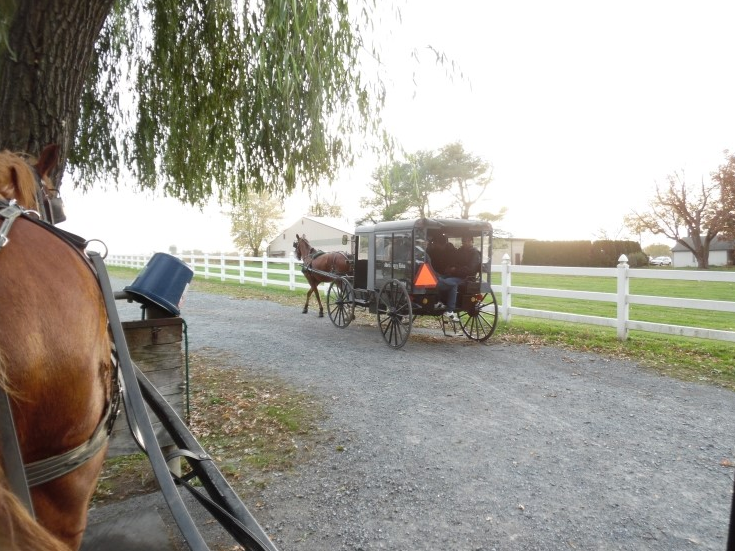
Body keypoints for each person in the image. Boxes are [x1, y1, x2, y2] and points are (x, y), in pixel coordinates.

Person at [426, 234, 462, 322]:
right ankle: (449, 310)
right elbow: (430, 270)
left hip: (430, 278)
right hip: (429, 280)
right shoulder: (426, 255)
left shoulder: (423, 253)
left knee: (445, 279)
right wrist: (437, 275)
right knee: (452, 284)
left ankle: (438, 301)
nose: (432, 244)